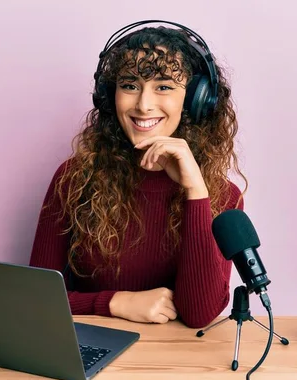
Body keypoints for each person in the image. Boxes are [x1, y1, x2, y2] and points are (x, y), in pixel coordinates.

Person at [29, 21, 247, 329]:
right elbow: (37, 296)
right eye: (130, 85)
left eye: (164, 87)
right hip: (90, 348)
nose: (143, 106)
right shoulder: (74, 178)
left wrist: (195, 191)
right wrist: (115, 302)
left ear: (197, 99)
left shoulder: (223, 196)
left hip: (174, 364)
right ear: (109, 95)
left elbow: (200, 314)